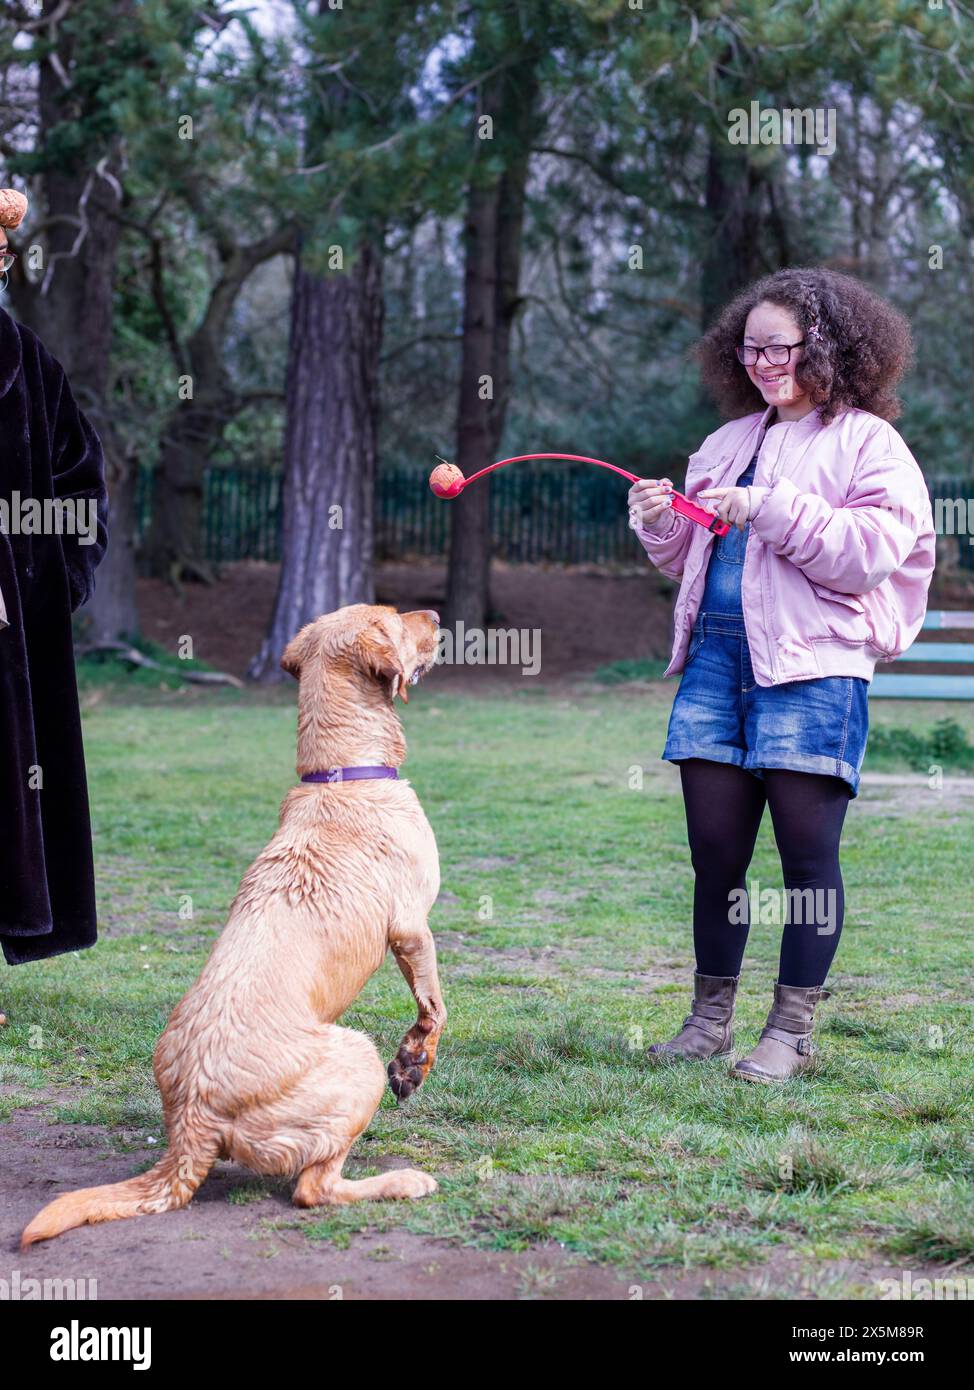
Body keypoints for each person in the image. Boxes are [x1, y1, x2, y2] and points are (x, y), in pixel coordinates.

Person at [629, 267, 935, 1082]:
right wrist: (663, 523)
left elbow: (869, 555)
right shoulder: (728, 443)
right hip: (716, 667)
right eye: (750, 346)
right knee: (716, 858)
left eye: (780, 346)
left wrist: (768, 507)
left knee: (806, 863)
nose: (762, 361)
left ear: (828, 346)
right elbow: (694, 555)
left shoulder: (870, 443)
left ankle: (791, 1032)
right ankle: (707, 1022)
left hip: (812, 671)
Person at [0, 189, 109, 974]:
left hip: (12, 642)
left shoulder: (29, 362)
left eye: (1, 255)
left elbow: (82, 489)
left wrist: (45, 581)